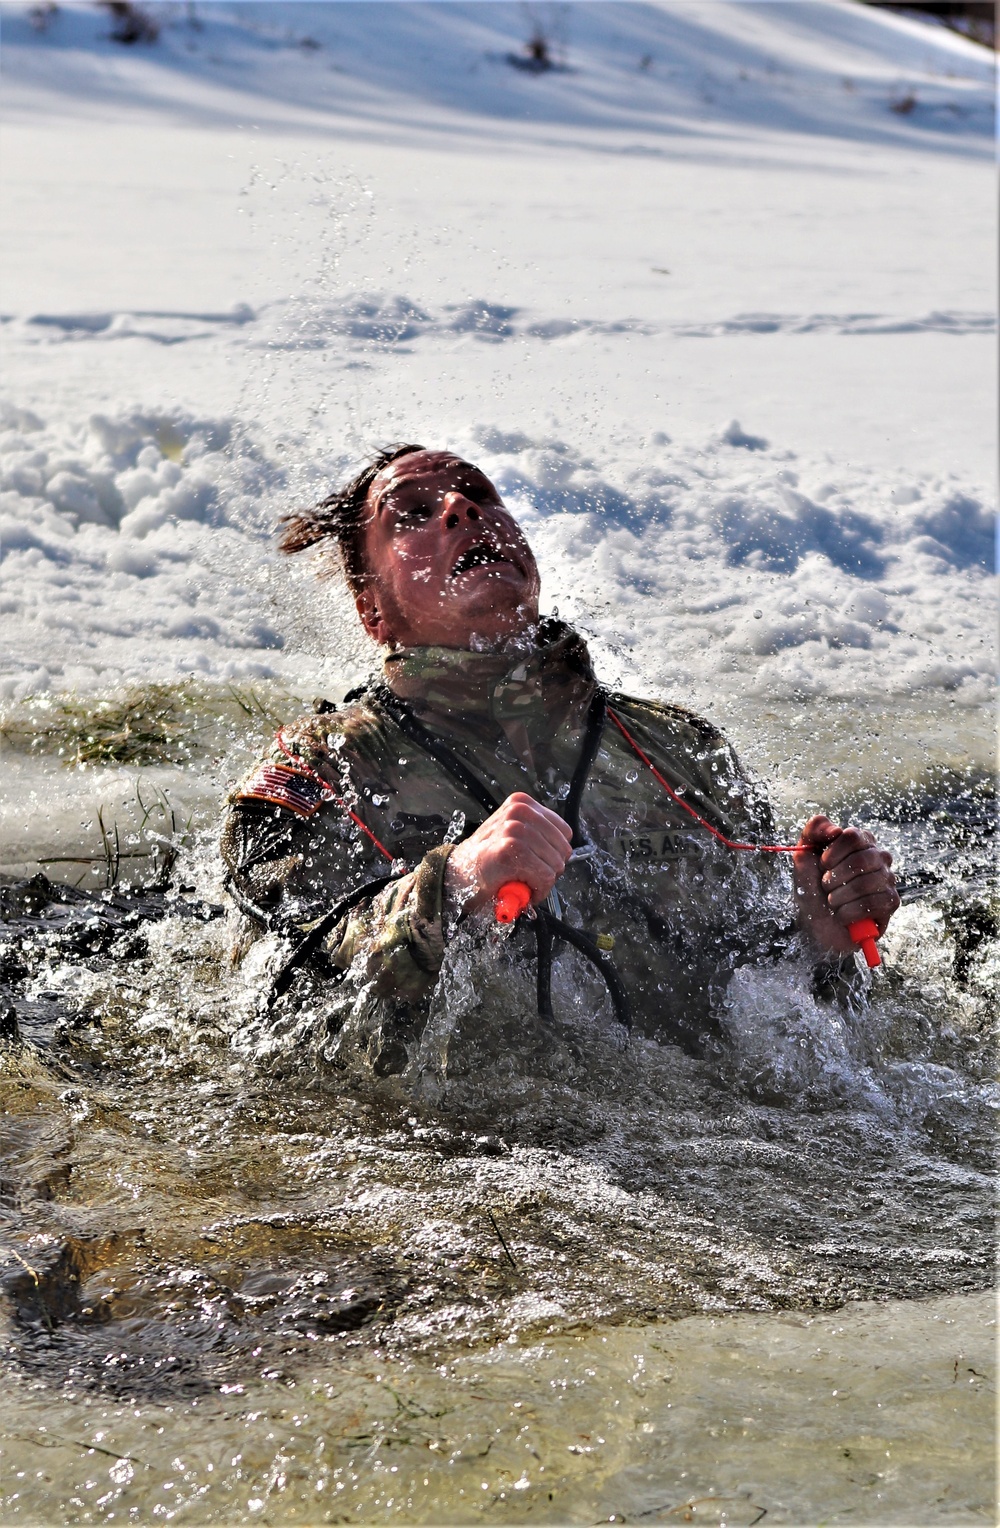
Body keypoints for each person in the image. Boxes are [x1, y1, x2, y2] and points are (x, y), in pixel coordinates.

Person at [221, 446, 899, 1075]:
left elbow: (784, 1022)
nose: (463, 510)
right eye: (416, 515)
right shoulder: (321, 766)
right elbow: (272, 1001)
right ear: (374, 611)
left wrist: (822, 941)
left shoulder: (679, 749)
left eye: (479, 496)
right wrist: (451, 888)